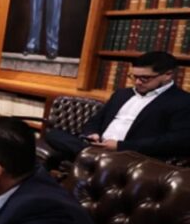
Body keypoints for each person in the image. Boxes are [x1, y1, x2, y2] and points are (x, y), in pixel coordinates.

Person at [43, 51, 190, 162]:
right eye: (134, 77)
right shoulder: (122, 94)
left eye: (145, 78)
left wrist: (120, 146)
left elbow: (175, 141)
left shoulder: (182, 101)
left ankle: (92, 158)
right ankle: (93, 156)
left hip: (131, 155)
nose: (137, 82)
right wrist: (92, 134)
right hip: (97, 146)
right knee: (53, 134)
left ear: (168, 75)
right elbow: (96, 120)